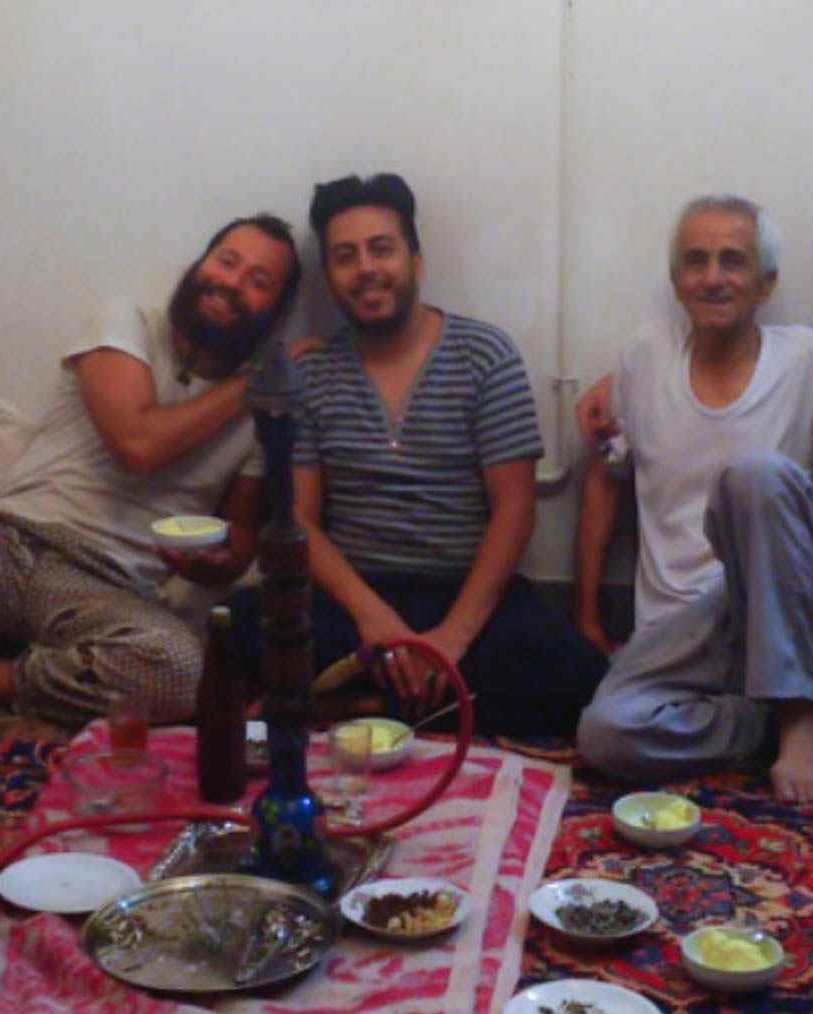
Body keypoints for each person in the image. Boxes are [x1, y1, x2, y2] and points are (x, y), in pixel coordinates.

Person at [243, 173, 606, 738]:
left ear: (416, 260)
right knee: (242, 635)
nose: (365, 268)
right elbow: (297, 518)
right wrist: (373, 619)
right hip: (353, 596)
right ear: (331, 280)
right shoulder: (310, 373)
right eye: (345, 257)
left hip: (464, 594)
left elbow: (515, 509)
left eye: (381, 249)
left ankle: (355, 705)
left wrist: (450, 639)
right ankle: (417, 705)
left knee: (577, 679)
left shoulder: (484, 354)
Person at [0, 215, 302, 724]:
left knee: (186, 672)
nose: (232, 282)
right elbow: (137, 444)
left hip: (100, 589)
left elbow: (243, 530)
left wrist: (218, 562)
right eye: (227, 261)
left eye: (259, 281)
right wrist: (256, 383)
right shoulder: (126, 322)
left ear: (276, 312)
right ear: (202, 262)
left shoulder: (261, 413)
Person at [572, 195, 813, 800]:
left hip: (774, 606)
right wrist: (586, 618)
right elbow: (604, 480)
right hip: (676, 631)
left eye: (732, 261)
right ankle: (758, 719)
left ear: (766, 282)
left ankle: (797, 714)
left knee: (754, 474)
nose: (712, 278)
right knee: (604, 734)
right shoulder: (645, 354)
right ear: (676, 280)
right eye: (695, 261)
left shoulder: (809, 358)